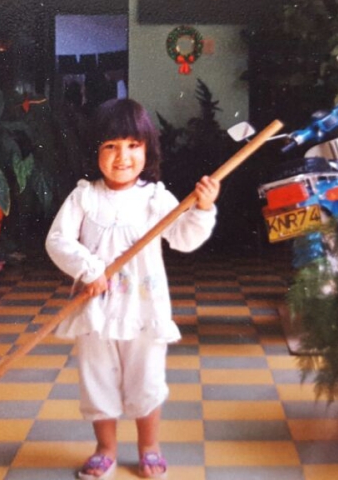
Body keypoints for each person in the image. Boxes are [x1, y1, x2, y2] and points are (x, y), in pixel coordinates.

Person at [45, 98, 221, 479]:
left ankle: (149, 446)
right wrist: (90, 269)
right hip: (95, 310)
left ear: (147, 150)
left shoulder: (155, 198)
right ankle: (105, 448)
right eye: (110, 146)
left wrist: (203, 209)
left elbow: (185, 238)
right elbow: (58, 241)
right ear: (95, 152)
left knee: (147, 379)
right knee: (97, 381)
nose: (122, 156)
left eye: (132, 145)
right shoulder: (84, 197)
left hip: (144, 309)